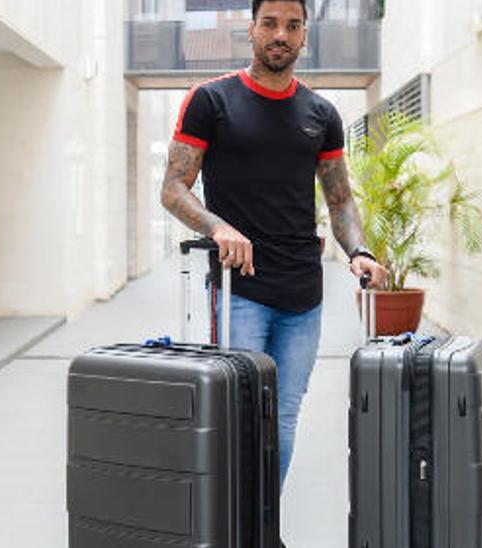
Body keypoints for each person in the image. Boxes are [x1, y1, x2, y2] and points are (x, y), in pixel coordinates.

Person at [160, 0, 389, 493]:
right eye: (270, 24)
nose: (280, 34)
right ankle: (234, 529)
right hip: (239, 289)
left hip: (303, 294)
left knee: (283, 417)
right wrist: (219, 227)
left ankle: (263, 527)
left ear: (304, 35)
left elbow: (341, 200)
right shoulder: (211, 100)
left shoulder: (321, 114)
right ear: (252, 30)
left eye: (292, 25)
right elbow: (174, 189)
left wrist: (360, 252)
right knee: (240, 415)